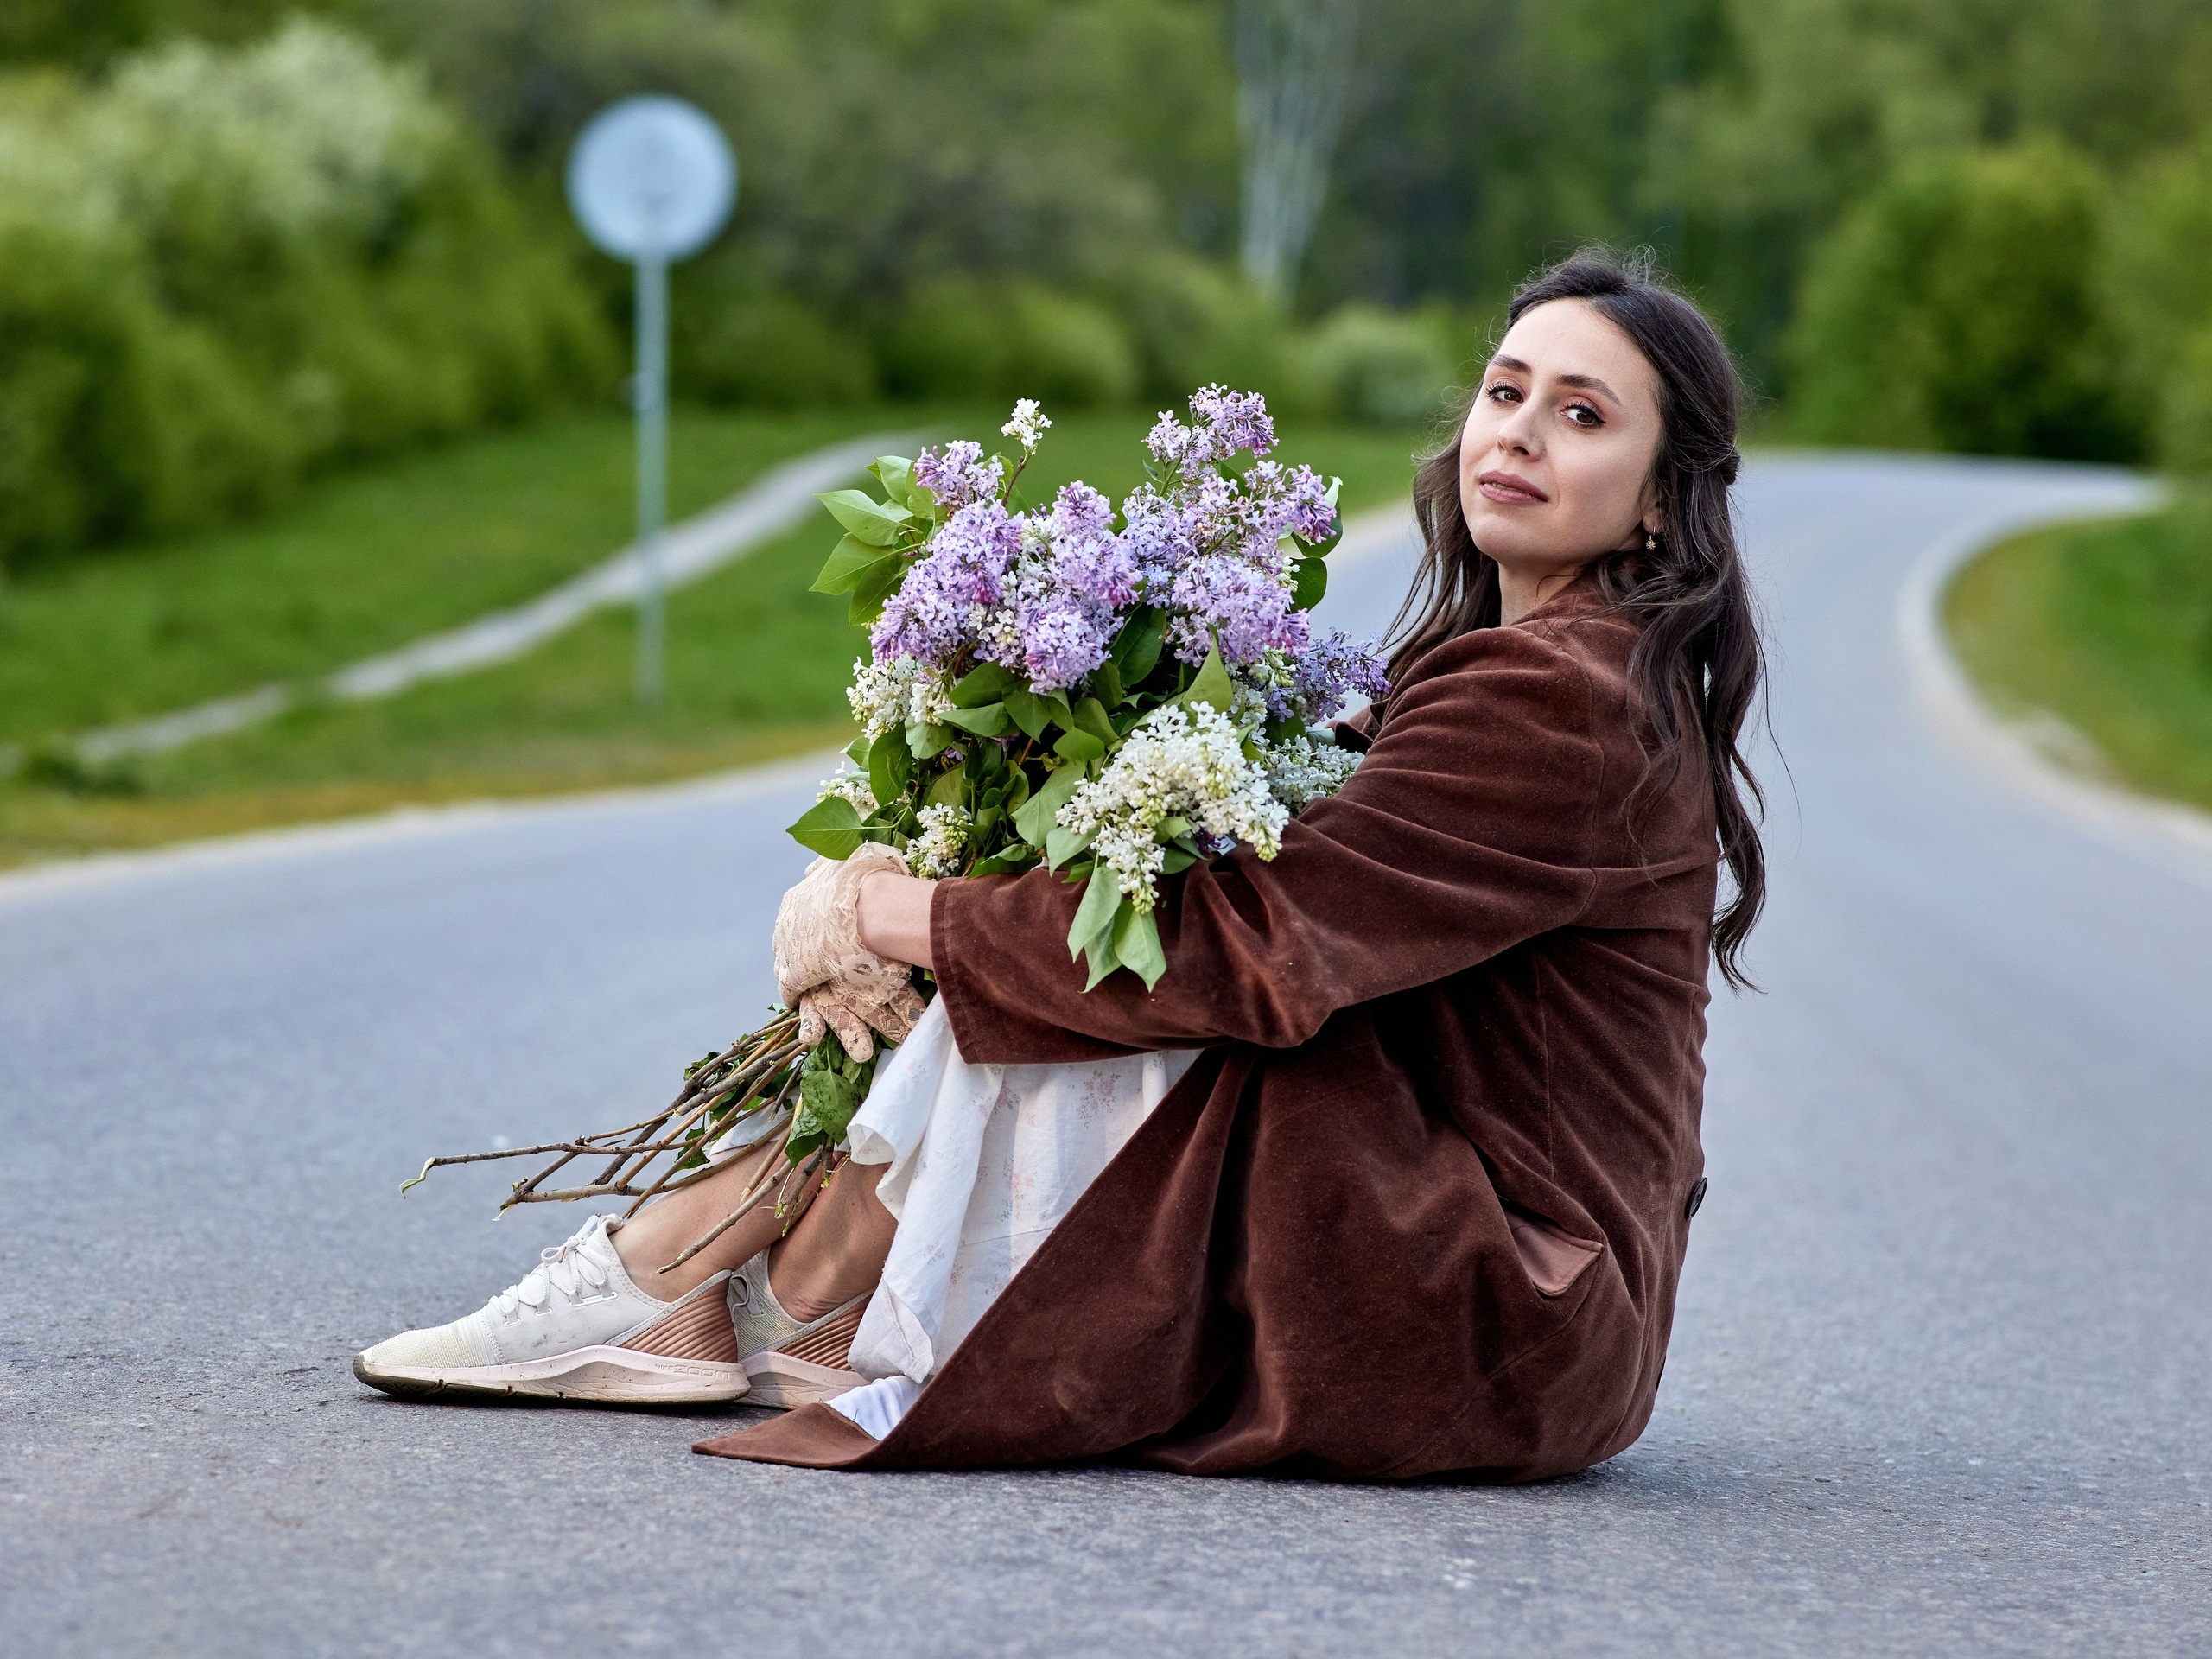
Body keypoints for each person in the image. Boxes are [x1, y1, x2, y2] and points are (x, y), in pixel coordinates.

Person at [357, 247, 1765, 1483]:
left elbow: (1259, 945)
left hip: (1500, 1309)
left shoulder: (1566, 700)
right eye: (1506, 390)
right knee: (1062, 935)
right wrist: (953, 871)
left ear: (1658, 503)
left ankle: (694, 1277)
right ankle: (748, 1290)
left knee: (1134, 964)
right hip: (1504, 1293)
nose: (1517, 432)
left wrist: (887, 908)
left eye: (1583, 416)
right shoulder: (1511, 666)